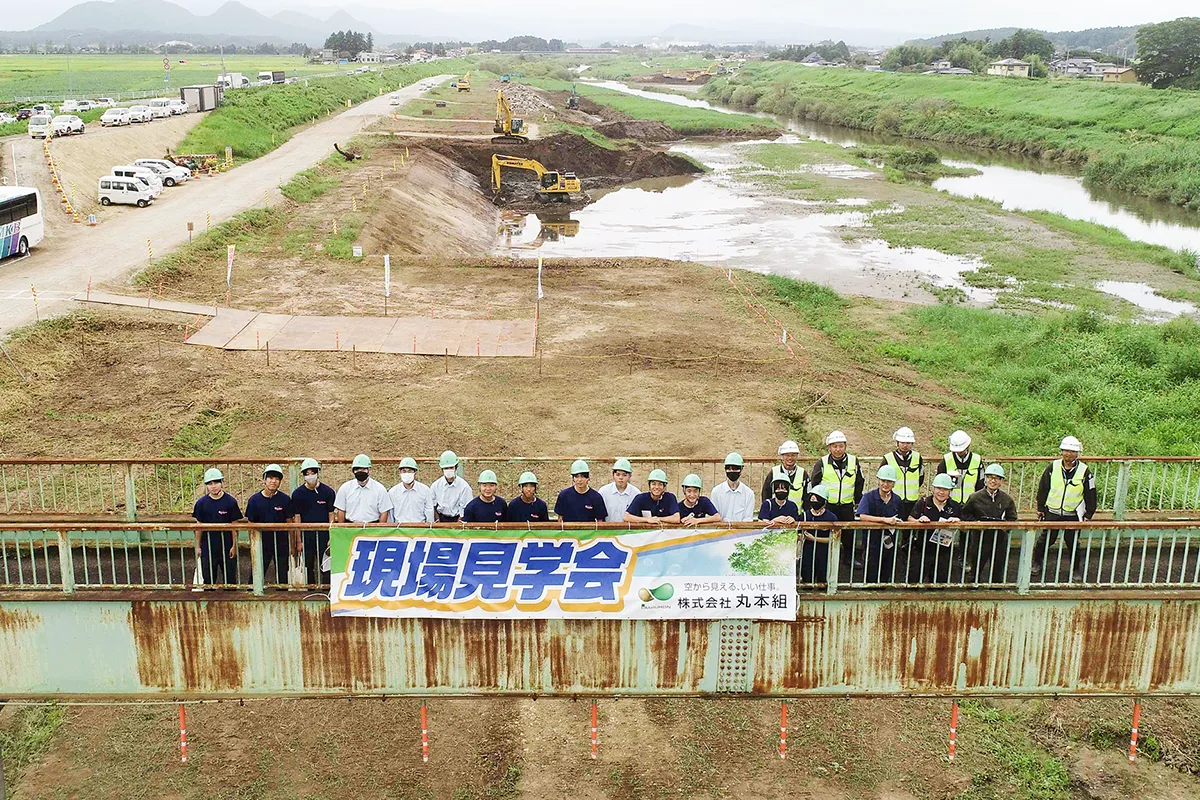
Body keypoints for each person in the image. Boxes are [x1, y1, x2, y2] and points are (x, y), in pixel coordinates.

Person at [1034, 436, 1097, 580]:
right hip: (1053, 511)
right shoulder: (1053, 467)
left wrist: (1089, 514)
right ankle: (1036, 563)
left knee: (1073, 543)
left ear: (1077, 454)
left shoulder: (1085, 471)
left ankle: (1076, 570)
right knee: (1045, 540)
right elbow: (1043, 488)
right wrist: (1040, 507)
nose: (1068, 454)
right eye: (1066, 451)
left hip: (1073, 513)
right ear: (1061, 451)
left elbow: (1091, 492)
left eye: (1072, 451)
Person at [810, 431, 864, 568]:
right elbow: (814, 484)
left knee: (848, 534)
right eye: (834, 446)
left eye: (840, 446)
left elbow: (859, 482)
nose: (838, 449)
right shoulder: (821, 463)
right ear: (829, 447)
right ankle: (826, 559)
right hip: (828, 506)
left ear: (845, 446)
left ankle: (849, 558)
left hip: (846, 505)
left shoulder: (854, 461)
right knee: (826, 532)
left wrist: (857, 500)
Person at [962, 463, 1019, 584]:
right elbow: (965, 514)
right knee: (976, 566)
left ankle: (996, 589)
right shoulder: (975, 497)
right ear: (985, 479)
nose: (993, 481)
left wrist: (1005, 527)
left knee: (998, 567)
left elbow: (1012, 518)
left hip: (1000, 539)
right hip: (980, 538)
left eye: (997, 478)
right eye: (990, 477)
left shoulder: (1006, 499)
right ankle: (972, 588)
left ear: (1001, 481)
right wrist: (976, 524)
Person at [907, 473, 963, 584]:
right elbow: (910, 518)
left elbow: (964, 525)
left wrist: (957, 521)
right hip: (922, 548)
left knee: (939, 583)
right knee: (914, 581)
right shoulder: (923, 503)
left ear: (950, 490)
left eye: (945, 489)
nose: (941, 492)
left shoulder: (955, 506)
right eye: (938, 488)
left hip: (944, 550)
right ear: (933, 488)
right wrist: (919, 521)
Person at [192, 467, 242, 586]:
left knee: (229, 580)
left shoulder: (230, 502)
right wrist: (197, 546)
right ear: (206, 486)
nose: (213, 486)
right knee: (208, 580)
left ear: (222, 483)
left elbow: (235, 526)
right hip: (208, 547)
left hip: (226, 547)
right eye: (210, 483)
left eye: (216, 482)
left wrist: (234, 546)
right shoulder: (201, 504)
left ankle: (230, 602)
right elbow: (199, 527)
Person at [245, 463, 293, 586]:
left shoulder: (285, 499)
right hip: (261, 542)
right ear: (264, 480)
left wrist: (292, 544)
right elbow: (250, 524)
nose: (273, 481)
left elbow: (289, 522)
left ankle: (283, 595)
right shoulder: (254, 500)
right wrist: (252, 544)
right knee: (257, 570)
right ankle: (252, 592)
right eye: (271, 478)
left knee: (282, 572)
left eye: (277, 479)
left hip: (281, 542)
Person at [290, 457, 336, 584]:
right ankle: (310, 588)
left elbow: (331, 515)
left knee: (326, 564)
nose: (310, 476)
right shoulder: (298, 494)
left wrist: (331, 536)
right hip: (306, 535)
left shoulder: (328, 492)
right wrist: (299, 540)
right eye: (307, 474)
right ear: (303, 475)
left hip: (323, 535)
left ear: (317, 472)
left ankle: (327, 588)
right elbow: (297, 517)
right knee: (308, 565)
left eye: (313, 473)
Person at [856, 464, 905, 583]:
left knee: (886, 570)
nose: (885, 484)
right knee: (871, 571)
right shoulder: (868, 497)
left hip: (889, 542)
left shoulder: (897, 499)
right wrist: (884, 520)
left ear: (894, 483)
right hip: (871, 541)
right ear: (878, 480)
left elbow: (901, 517)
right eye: (883, 481)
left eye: (889, 481)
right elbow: (862, 516)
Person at [334, 454, 393, 524]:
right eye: (357, 469)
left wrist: (379, 529)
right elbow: (341, 510)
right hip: (351, 527)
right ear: (353, 471)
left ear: (369, 470)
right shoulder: (345, 488)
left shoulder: (379, 489)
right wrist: (342, 529)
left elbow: (384, 512)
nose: (360, 471)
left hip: (372, 527)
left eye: (363, 469)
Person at [883, 426, 924, 521]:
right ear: (897, 443)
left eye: (908, 443)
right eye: (902, 442)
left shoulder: (917, 457)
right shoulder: (888, 458)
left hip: (912, 502)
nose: (905, 445)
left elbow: (921, 477)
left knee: (909, 530)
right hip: (893, 500)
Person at [800, 484, 837, 584]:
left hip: (824, 551)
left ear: (824, 502)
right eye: (812, 499)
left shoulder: (831, 517)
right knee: (807, 575)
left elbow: (834, 539)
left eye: (818, 499)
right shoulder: (804, 516)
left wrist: (814, 538)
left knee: (822, 576)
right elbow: (798, 533)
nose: (815, 502)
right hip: (808, 550)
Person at [938, 430, 984, 505]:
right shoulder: (946, 460)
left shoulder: (977, 460)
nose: (959, 452)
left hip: (971, 504)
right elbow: (940, 483)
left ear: (968, 446)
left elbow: (981, 485)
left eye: (961, 450)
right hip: (950, 504)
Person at [427, 450, 472, 522]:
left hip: (457, 519)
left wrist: (457, 524)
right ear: (442, 469)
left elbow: (465, 508)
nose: (448, 470)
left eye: (451, 467)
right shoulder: (435, 486)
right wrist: (438, 520)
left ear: (456, 467)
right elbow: (433, 505)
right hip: (441, 518)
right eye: (446, 468)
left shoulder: (464, 487)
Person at [761, 440, 807, 509]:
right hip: (775, 516)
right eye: (787, 455)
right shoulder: (774, 472)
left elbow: (807, 497)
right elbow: (766, 493)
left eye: (793, 455)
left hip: (795, 516)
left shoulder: (803, 473)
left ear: (797, 456)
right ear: (782, 456)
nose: (790, 458)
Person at [711, 452, 755, 522]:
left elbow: (748, 518)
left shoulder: (749, 493)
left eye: (735, 468)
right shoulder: (716, 492)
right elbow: (714, 515)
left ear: (741, 469)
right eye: (728, 468)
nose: (731, 471)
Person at [389, 457, 433, 524]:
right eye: (404, 471)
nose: (407, 474)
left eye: (410, 471)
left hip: (420, 530)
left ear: (415, 472)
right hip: (399, 530)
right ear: (400, 472)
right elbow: (390, 517)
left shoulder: (425, 491)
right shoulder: (393, 492)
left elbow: (429, 513)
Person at [598, 458, 640, 522]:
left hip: (629, 531)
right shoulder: (603, 492)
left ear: (630, 476)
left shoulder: (636, 494)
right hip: (607, 530)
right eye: (618, 474)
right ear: (613, 475)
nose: (620, 478)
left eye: (624, 475)